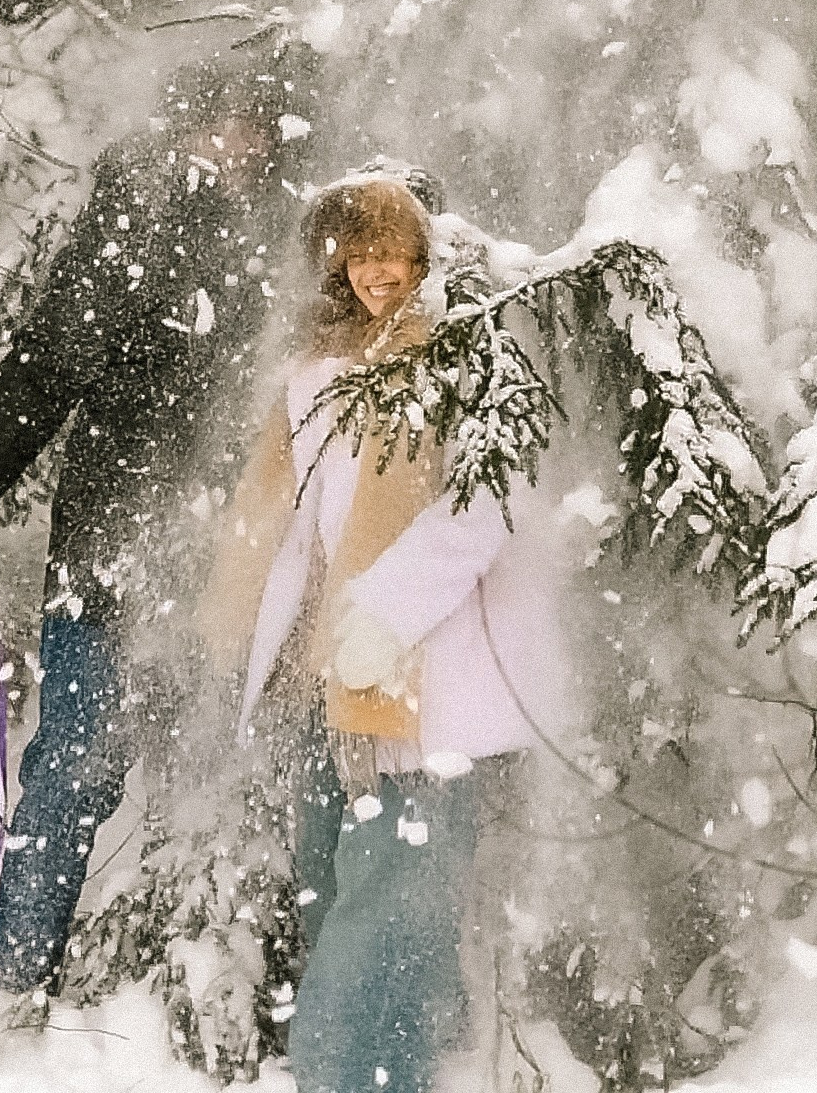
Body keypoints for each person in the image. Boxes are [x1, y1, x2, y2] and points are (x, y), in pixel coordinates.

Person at [0, 58, 302, 1010]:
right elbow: (42, 373)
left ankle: (183, 985)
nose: (244, 147)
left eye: (260, 130)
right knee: (75, 768)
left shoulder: (285, 234)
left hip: (232, 564)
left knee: (211, 772)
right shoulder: (137, 217)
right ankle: (17, 979)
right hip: (113, 549)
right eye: (228, 125)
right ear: (189, 126)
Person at [200, 173, 564, 1093]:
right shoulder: (318, 369)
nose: (377, 272)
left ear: (425, 255)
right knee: (335, 879)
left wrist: (386, 615)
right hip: (328, 679)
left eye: (394, 250)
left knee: (392, 892)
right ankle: (405, 1058)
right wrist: (257, 632)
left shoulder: (466, 357)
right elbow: (293, 523)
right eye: (359, 252)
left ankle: (351, 1074)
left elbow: (492, 507)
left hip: (417, 677)